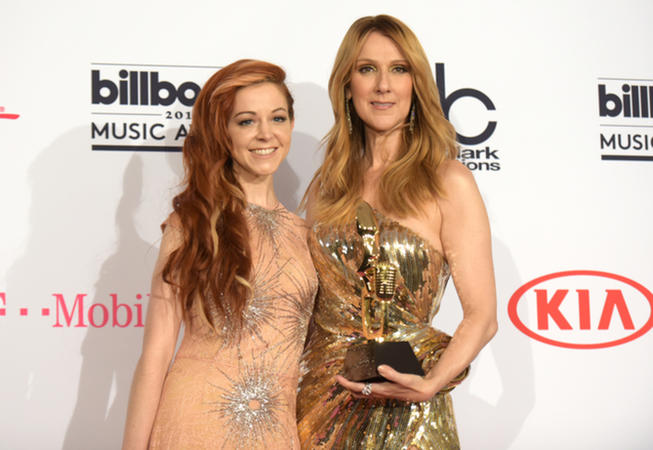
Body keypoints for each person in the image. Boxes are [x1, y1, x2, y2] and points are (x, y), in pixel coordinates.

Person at [296, 15, 497, 449]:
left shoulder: (448, 181)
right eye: (367, 69)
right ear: (348, 86)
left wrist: (431, 384)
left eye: (399, 69)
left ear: (416, 84)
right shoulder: (325, 188)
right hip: (321, 409)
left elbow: (482, 316)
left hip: (410, 414)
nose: (383, 85)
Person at [122, 59, 317, 449]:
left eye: (277, 118)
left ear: (291, 125)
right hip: (195, 427)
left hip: (278, 434)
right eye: (246, 121)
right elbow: (157, 354)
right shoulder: (191, 224)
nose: (265, 134)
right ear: (222, 132)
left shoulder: (308, 236)